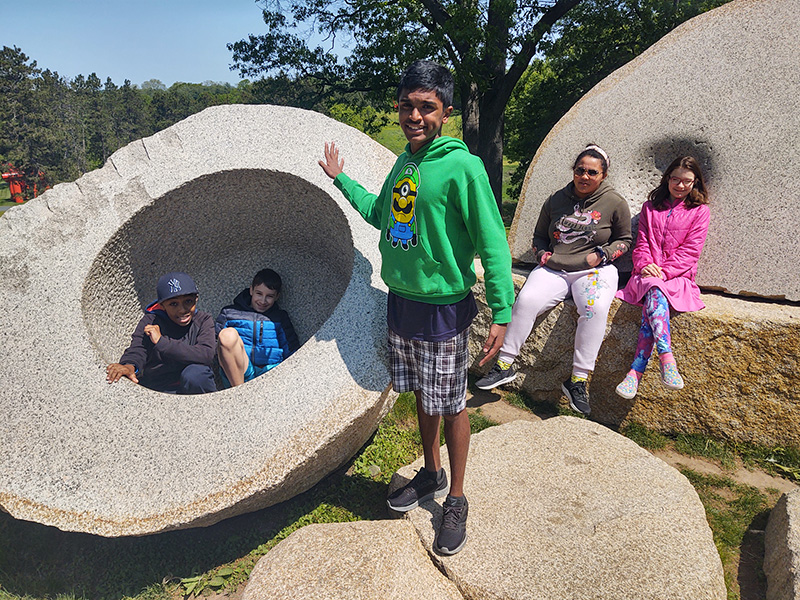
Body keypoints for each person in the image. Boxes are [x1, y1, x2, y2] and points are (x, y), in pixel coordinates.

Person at [318, 60, 514, 555]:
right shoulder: (403, 163)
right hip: (401, 303)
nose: (415, 115)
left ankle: (457, 497)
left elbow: (492, 240)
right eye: (407, 105)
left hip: (443, 309)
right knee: (423, 398)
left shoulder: (462, 167)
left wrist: (503, 309)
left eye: (427, 107)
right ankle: (430, 472)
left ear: (445, 112)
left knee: (451, 405)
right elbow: (381, 215)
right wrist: (343, 180)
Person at [476, 145, 632, 416]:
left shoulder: (614, 202)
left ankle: (578, 380)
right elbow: (538, 235)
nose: (584, 176)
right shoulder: (556, 199)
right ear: (573, 171)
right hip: (556, 268)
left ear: (603, 175)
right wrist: (541, 253)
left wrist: (603, 254)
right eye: (580, 170)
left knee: (593, 310)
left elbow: (625, 240)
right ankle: (504, 365)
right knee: (526, 300)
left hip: (594, 270)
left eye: (592, 172)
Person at [614, 156, 710, 399]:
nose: (680, 185)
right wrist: (646, 264)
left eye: (686, 181)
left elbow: (691, 251)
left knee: (655, 295)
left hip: (678, 279)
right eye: (675, 179)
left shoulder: (700, 212)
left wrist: (665, 271)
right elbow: (642, 242)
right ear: (667, 178)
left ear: (695, 182)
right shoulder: (650, 208)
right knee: (654, 290)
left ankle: (635, 371)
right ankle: (667, 360)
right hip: (646, 275)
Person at [106, 272, 217, 394]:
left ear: (196, 299)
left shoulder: (203, 320)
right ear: (162, 305)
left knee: (195, 374)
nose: (182, 310)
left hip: (195, 388)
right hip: (159, 388)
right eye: (173, 304)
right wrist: (129, 366)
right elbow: (138, 349)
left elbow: (206, 354)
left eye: (188, 301)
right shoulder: (151, 321)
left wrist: (161, 342)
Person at [215, 268, 300, 388]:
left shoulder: (280, 317)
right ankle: (239, 393)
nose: (263, 301)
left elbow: (292, 350)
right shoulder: (229, 313)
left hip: (271, 371)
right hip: (240, 371)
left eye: (269, 296)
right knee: (227, 335)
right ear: (251, 290)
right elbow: (214, 346)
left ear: (277, 297)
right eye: (259, 294)